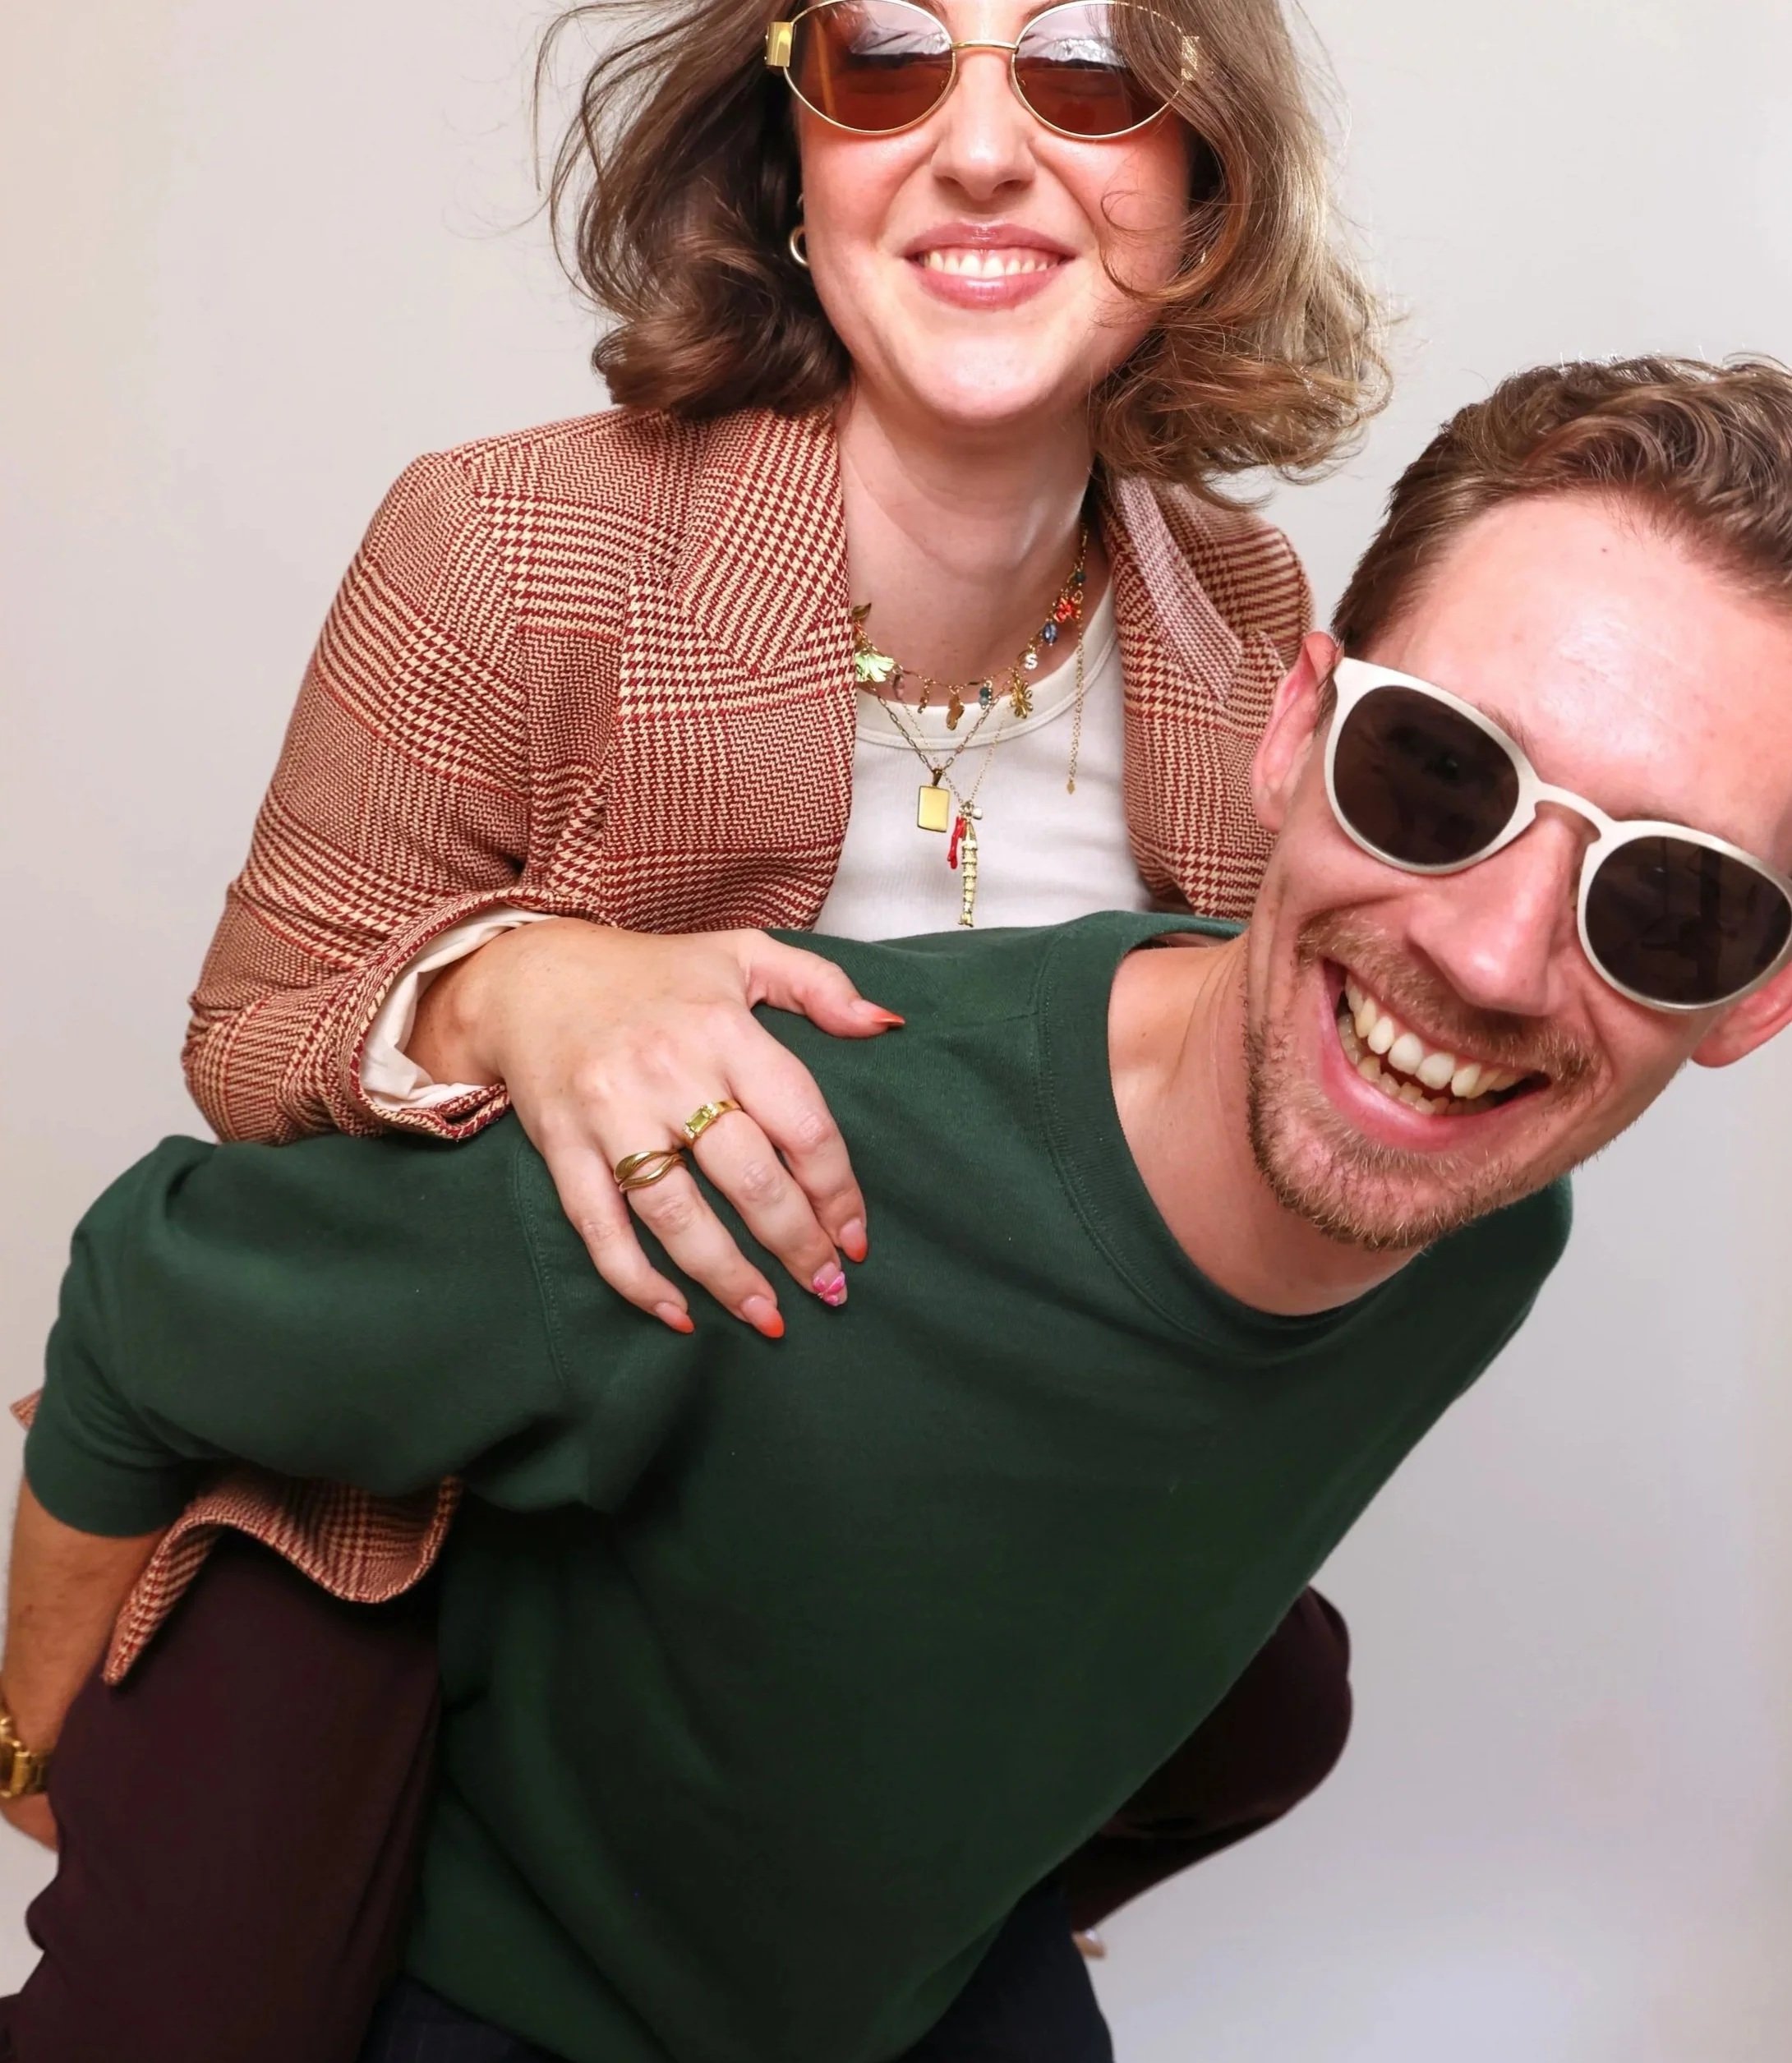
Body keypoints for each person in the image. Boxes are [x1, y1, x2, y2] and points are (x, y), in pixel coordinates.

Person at [7, 353, 1792, 2061]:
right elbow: (157, 1284)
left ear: (1754, 1002)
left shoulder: (1485, 1228)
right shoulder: (741, 1172)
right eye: (1437, 774)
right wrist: (28, 1742)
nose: (1485, 958)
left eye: (1673, 906)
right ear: (1295, 733)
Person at [26, 0, 1384, 2045]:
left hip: (880, 1640)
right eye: (890, 56)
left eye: (1090, 65)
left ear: (1200, 198)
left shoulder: (1253, 619)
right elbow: (253, 1040)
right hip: (444, 1566)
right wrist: (517, 982)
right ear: (792, 161)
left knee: (1277, 1690)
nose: (983, 147)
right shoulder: (505, 536)